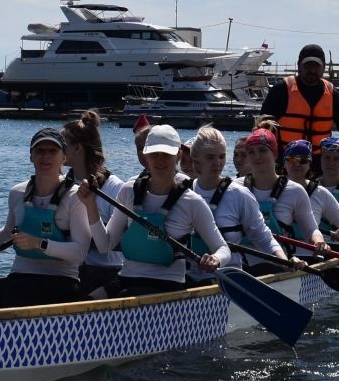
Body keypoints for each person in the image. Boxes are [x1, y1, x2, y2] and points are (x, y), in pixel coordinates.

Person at [0, 127, 91, 308]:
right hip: (20, 275)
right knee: (4, 298)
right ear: (31, 156)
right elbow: (7, 233)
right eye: (39, 151)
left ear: (63, 158)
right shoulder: (17, 193)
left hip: (61, 278)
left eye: (52, 151)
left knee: (18, 296)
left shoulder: (75, 196)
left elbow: (80, 251)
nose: (45, 156)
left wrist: (38, 244)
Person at [84, 124, 230, 295]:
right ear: (146, 156)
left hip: (168, 284)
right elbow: (104, 245)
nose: (160, 160)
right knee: (86, 301)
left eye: (167, 154)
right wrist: (90, 205)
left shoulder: (192, 202)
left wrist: (215, 259)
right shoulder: (128, 191)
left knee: (127, 296)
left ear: (178, 156)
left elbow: (223, 249)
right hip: (125, 278)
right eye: (155, 154)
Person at [185, 125, 293, 284]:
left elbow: (262, 237)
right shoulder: (183, 193)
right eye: (210, 157)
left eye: (222, 157)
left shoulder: (238, 195)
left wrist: (285, 263)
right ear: (195, 157)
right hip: (186, 278)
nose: (217, 164)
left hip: (227, 279)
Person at [259, 43, 339, 175]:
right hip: (286, 164)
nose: (312, 69)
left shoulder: (333, 95)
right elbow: (261, 133)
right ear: (298, 65)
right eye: (307, 65)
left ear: (323, 68)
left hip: (318, 166)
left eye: (316, 65)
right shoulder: (281, 90)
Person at [62, 109, 127, 299]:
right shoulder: (62, 185)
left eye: (62, 144)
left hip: (105, 270)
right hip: (72, 269)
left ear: (77, 148)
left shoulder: (115, 188)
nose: (56, 149)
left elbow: (118, 241)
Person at [238, 126, 321, 268]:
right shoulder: (235, 188)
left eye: (262, 150)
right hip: (240, 265)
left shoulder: (295, 191)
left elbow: (311, 230)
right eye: (251, 152)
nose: (256, 156)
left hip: (279, 263)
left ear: (275, 154)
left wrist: (319, 241)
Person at [281, 139, 339, 253]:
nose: (297, 164)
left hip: (310, 256)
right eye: (291, 159)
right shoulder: (272, 189)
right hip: (278, 254)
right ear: (284, 162)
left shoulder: (319, 193)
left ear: (309, 164)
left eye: (303, 160)